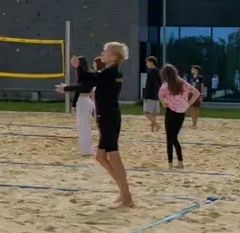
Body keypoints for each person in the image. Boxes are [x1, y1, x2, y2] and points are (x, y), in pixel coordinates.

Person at [58, 41, 134, 208]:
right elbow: (89, 79)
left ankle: (127, 196)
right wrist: (78, 70)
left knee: (113, 155)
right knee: (100, 157)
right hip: (108, 115)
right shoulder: (112, 71)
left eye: (105, 51)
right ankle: (124, 192)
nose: (102, 54)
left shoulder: (110, 72)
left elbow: (87, 82)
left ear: (114, 57)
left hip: (108, 117)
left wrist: (68, 85)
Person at [158, 63, 192, 166]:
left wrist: (163, 103)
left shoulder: (165, 85)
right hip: (181, 113)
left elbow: (160, 95)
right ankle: (180, 161)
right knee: (174, 137)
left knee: (170, 138)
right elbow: (196, 93)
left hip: (171, 112)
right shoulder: (182, 83)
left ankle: (170, 162)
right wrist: (188, 104)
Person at [70, 55, 95, 156]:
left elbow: (78, 90)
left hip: (83, 100)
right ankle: (88, 149)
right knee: (86, 126)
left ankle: (86, 150)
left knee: (83, 127)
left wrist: (73, 105)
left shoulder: (83, 74)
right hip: (87, 100)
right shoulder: (90, 73)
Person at [140, 55, 162, 133]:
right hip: (156, 95)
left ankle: (157, 125)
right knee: (153, 113)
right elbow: (161, 83)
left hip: (150, 95)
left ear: (151, 62)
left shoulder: (151, 71)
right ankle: (153, 129)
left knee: (146, 113)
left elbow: (148, 85)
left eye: (147, 62)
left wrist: (145, 96)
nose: (146, 64)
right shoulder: (157, 71)